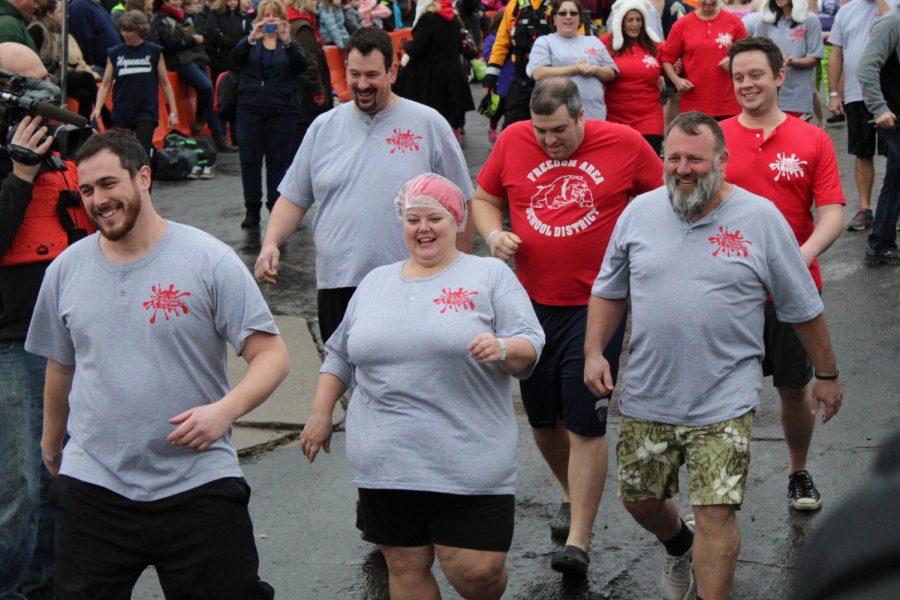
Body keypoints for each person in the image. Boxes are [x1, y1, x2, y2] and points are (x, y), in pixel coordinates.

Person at [585, 111, 844, 600]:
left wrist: (826, 374)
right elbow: (608, 290)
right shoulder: (638, 212)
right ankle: (677, 544)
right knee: (640, 499)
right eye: (674, 158)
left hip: (725, 396)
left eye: (695, 159)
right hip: (647, 392)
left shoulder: (761, 218)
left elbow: (803, 306)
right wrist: (594, 352)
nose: (683, 169)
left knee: (716, 511)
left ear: (722, 160)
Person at [24, 131, 290, 598]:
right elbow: (60, 366)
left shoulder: (208, 260)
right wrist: (51, 450)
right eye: (87, 191)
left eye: (109, 184)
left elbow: (271, 355)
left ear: (144, 177)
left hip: (198, 482)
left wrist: (223, 412)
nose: (99, 201)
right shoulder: (65, 270)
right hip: (94, 486)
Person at [299, 173, 544, 600]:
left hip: (468, 454)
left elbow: (532, 342)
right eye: (413, 219)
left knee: (476, 572)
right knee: (404, 563)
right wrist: (321, 414)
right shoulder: (376, 282)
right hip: (387, 455)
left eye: (435, 218)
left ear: (457, 221)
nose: (423, 228)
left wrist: (503, 347)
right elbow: (339, 353)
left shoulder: (488, 275)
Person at [472, 77, 662, 577]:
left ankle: (578, 538)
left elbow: (663, 202)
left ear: (581, 116)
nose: (549, 142)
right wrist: (494, 234)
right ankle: (568, 490)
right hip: (529, 304)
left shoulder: (624, 143)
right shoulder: (514, 140)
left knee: (583, 417)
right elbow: (483, 197)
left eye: (559, 131)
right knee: (541, 419)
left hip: (596, 304)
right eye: (542, 131)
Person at [254, 27, 473, 347]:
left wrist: (458, 275)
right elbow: (294, 197)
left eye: (372, 75)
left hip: (410, 280)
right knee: (346, 384)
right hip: (337, 285)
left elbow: (463, 203)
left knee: (405, 384)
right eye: (354, 74)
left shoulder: (428, 123)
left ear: (393, 71)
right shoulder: (323, 128)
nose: (362, 84)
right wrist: (271, 243)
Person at [721, 36, 845, 511]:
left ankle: (798, 471)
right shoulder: (716, 136)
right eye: (738, 77)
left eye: (755, 75)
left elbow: (832, 211)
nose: (747, 84)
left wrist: (798, 257)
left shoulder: (811, 138)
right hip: (730, 292)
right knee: (727, 392)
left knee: (793, 389)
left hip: (793, 294)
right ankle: (723, 482)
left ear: (779, 76)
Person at [0, 42, 94, 600]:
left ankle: (47, 587)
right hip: (15, 344)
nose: (47, 96)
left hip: (75, 338)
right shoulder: (21, 158)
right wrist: (18, 172)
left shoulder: (62, 148)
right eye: (32, 84)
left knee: (66, 479)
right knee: (20, 487)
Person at [231, 0, 306, 228]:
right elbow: (234, 58)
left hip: (282, 110)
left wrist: (288, 41)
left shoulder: (289, 44)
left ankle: (275, 206)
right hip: (250, 108)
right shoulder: (251, 41)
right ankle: (251, 208)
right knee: (250, 161)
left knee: (278, 162)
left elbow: (301, 66)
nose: (271, 19)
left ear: (282, 19)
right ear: (259, 18)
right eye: (266, 15)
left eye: (275, 15)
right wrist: (252, 37)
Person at [828, 0, 896, 231]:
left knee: (894, 155)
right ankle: (865, 209)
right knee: (861, 151)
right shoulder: (847, 11)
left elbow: (895, 24)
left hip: (890, 94)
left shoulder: (895, 5)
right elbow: (837, 54)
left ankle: (895, 211)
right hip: (857, 93)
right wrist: (835, 93)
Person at [93, 10, 180, 158]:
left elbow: (165, 83)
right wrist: (98, 107)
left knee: (142, 151)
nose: (125, 34)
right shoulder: (115, 53)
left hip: (146, 109)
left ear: (140, 29)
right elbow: (106, 83)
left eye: (129, 30)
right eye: (122, 30)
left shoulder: (154, 52)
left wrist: (173, 111)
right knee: (122, 153)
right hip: (122, 108)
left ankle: (145, 179)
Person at [152, 0, 235, 152]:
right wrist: (191, 41)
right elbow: (168, 45)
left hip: (197, 58)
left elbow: (201, 34)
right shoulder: (161, 20)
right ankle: (202, 118)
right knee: (206, 87)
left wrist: (196, 40)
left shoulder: (186, 16)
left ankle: (219, 136)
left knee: (209, 95)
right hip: (181, 61)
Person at [526, 0, 618, 121]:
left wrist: (594, 70)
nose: (568, 16)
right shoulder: (544, 42)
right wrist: (575, 69)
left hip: (595, 115)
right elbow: (538, 73)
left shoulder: (594, 41)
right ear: (554, 18)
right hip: (558, 118)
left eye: (573, 13)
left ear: (580, 19)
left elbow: (612, 72)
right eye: (563, 13)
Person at [394, 0, 475, 136]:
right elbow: (459, 46)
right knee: (452, 108)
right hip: (454, 69)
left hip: (433, 73)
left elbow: (419, 47)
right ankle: (455, 131)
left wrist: (407, 48)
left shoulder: (427, 19)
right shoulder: (454, 18)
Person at [858, 4, 900, 265]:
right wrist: (880, 108)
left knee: (896, 179)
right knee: (897, 178)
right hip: (894, 118)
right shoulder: (890, 24)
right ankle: (879, 245)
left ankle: (880, 244)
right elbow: (866, 68)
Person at [660, 0, 748, 119]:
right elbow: (666, 58)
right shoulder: (682, 24)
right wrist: (677, 80)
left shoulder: (733, 21)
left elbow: (747, 52)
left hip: (728, 104)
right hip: (693, 104)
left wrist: (733, 59)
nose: (708, 2)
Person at [601, 0, 666, 155]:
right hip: (616, 118)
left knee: (650, 169)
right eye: (630, 20)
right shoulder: (605, 43)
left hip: (650, 119)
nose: (635, 24)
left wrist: (677, 66)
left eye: (639, 20)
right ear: (620, 22)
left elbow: (671, 66)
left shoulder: (655, 45)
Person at [482, 0, 555, 127]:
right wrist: (491, 76)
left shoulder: (560, 5)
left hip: (554, 79)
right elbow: (501, 42)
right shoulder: (515, 6)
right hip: (522, 78)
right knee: (513, 123)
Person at [27, 0, 100, 121]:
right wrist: (57, 64)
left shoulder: (58, 30)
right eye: (60, 12)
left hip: (58, 75)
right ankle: (104, 112)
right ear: (50, 14)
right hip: (47, 78)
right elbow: (36, 59)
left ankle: (82, 125)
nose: (66, 15)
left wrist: (70, 64)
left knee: (85, 95)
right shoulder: (37, 30)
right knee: (87, 77)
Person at [749, 0, 824, 118]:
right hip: (770, 96)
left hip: (797, 96)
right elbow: (754, 51)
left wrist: (793, 61)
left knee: (795, 135)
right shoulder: (766, 21)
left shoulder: (810, 20)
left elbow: (814, 57)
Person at [287, 0, 333, 153]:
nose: (316, 2)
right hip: (305, 97)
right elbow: (309, 64)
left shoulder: (291, 22)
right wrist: (318, 92)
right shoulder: (302, 27)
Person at [205, 0, 252, 85]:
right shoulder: (215, 14)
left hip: (240, 61)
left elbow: (248, 34)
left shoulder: (243, 15)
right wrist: (236, 43)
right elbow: (213, 34)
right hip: (220, 61)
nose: (233, 2)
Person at [68, 0, 123, 72]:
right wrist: (90, 67)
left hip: (116, 64)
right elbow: (82, 40)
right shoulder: (79, 6)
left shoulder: (98, 7)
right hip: (99, 68)